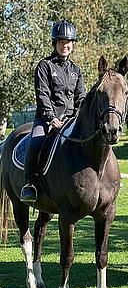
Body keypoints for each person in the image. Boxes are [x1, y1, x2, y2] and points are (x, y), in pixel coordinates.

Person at [20, 20, 86, 203]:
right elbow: (42, 96)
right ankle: (29, 185)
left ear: (73, 44)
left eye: (68, 42)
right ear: (54, 43)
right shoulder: (44, 66)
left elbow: (81, 98)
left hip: (70, 120)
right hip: (47, 119)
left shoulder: (76, 70)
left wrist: (79, 117)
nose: (65, 45)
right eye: (61, 42)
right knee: (35, 144)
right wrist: (51, 118)